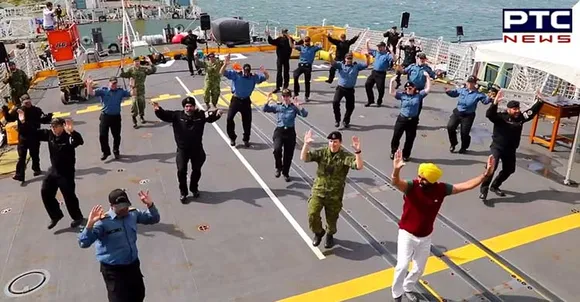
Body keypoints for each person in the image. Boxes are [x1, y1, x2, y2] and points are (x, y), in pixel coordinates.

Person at [390, 149, 494, 302]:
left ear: (432, 180)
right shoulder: (412, 187)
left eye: (423, 178)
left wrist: (485, 174)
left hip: (425, 237)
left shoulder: (441, 189)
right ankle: (397, 294)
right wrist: (396, 170)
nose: (419, 179)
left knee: (419, 269)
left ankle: (408, 287)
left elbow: (466, 186)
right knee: (402, 266)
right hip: (407, 234)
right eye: (419, 176)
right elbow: (396, 182)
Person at [78, 188, 160, 302]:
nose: (124, 209)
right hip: (114, 271)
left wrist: (150, 205)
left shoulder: (132, 214)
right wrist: (90, 224)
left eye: (126, 205)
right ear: (112, 206)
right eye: (120, 207)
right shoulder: (102, 222)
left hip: (132, 266)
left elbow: (154, 218)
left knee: (139, 295)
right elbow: (84, 243)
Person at [300, 130, 363, 248]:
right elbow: (304, 158)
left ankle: (329, 234)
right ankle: (318, 232)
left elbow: (358, 166)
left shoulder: (344, 156)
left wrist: (357, 151)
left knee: (332, 220)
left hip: (334, 195)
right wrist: (306, 144)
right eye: (330, 141)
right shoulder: (323, 152)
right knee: (312, 213)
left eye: (335, 142)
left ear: (340, 143)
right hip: (319, 191)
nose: (332, 144)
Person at [479, 90, 544, 204]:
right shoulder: (500, 117)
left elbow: (531, 112)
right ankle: (484, 190)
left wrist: (540, 101)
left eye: (518, 108)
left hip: (510, 149)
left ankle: (495, 186)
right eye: (514, 109)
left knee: (509, 170)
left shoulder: (520, 118)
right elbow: (489, 114)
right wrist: (495, 103)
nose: (517, 111)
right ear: (508, 109)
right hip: (497, 147)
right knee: (492, 168)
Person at [152, 97, 222, 203]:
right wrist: (157, 109)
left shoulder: (200, 115)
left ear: (194, 107)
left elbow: (211, 117)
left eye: (190, 106)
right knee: (181, 171)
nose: (188, 108)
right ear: (184, 107)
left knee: (197, 170)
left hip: (197, 149)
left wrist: (218, 114)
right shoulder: (177, 116)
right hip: (182, 150)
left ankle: (194, 188)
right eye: (186, 106)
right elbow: (164, 115)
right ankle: (183, 193)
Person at [26, 117, 84, 229]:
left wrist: (72, 131)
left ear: (62, 126)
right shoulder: (50, 135)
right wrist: (23, 122)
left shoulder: (68, 137)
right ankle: (55, 215)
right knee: (45, 191)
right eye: (52, 126)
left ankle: (77, 217)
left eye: (56, 126)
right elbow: (32, 133)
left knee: (69, 196)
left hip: (66, 173)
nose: (53, 129)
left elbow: (79, 141)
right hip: (53, 170)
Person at [220, 54, 269, 147]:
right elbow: (222, 72)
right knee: (229, 118)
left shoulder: (253, 77)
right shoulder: (236, 75)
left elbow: (266, 78)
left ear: (249, 71)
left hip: (246, 101)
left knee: (247, 121)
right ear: (242, 70)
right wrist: (225, 64)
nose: (246, 72)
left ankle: (246, 139)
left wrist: (265, 72)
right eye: (245, 71)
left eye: (248, 71)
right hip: (235, 100)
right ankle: (232, 138)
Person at [2, 94, 53, 183]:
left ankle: (36, 169)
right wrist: (5, 111)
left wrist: (48, 117)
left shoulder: (36, 110)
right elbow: (9, 119)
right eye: (25, 103)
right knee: (21, 157)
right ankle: (20, 175)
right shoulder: (18, 111)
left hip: (34, 135)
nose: (28, 104)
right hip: (23, 137)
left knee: (35, 154)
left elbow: (43, 120)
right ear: (22, 103)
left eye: (29, 102)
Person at [263, 89, 308, 182]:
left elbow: (304, 114)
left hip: (290, 133)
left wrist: (299, 107)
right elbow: (265, 109)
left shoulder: (293, 108)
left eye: (287, 96)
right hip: (279, 131)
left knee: (288, 154)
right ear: (282, 97)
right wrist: (268, 100)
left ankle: (285, 172)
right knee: (277, 149)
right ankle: (278, 167)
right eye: (284, 96)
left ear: (290, 97)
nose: (286, 98)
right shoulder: (279, 107)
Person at [388, 71, 432, 161]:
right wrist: (392, 82)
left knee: (410, 138)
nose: (408, 89)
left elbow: (427, 89)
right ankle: (394, 152)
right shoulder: (402, 95)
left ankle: (406, 155)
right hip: (402, 119)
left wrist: (427, 77)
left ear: (414, 88)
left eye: (410, 88)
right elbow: (392, 93)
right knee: (396, 136)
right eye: (407, 88)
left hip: (412, 120)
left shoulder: (418, 96)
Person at [86, 76, 132, 160]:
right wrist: (89, 85)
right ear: (109, 83)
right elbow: (91, 93)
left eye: (115, 83)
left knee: (116, 136)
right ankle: (106, 152)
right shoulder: (103, 91)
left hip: (116, 117)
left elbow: (132, 93)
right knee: (103, 136)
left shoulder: (120, 92)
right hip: (105, 116)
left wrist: (133, 85)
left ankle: (116, 151)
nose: (114, 85)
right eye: (112, 83)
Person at [445, 75, 493, 153]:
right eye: (469, 82)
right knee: (450, 127)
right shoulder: (462, 90)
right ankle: (453, 143)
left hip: (468, 115)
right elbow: (454, 93)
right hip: (458, 112)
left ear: (475, 84)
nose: (470, 84)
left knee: (464, 132)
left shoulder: (478, 94)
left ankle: (464, 147)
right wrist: (448, 92)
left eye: (472, 83)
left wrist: (490, 98)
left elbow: (485, 101)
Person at [329, 52, 370, 129]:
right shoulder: (340, 65)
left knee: (350, 107)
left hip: (350, 89)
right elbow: (332, 63)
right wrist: (330, 55)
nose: (349, 60)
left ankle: (346, 120)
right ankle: (337, 120)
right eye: (348, 58)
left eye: (350, 58)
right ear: (345, 59)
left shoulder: (356, 66)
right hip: (341, 88)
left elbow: (367, 64)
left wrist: (367, 57)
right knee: (335, 102)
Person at [119, 56, 157, 128]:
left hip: (141, 91)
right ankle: (134, 120)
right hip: (134, 91)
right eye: (135, 62)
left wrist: (150, 62)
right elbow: (123, 75)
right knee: (134, 106)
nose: (137, 63)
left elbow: (153, 70)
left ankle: (141, 116)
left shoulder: (143, 69)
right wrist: (122, 67)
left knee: (142, 104)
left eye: (138, 61)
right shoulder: (131, 70)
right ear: (133, 62)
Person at [292, 36, 322, 101]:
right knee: (295, 75)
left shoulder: (313, 48)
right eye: (305, 41)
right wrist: (298, 41)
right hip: (301, 66)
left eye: (307, 41)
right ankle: (296, 92)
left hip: (308, 66)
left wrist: (318, 43)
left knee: (307, 81)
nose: (306, 42)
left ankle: (306, 96)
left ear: (309, 41)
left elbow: (321, 47)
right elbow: (293, 46)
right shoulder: (301, 47)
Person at [364, 40, 393, 107]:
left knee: (380, 89)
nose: (379, 48)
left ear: (384, 47)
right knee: (367, 84)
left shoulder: (387, 55)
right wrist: (367, 43)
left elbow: (394, 59)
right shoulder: (376, 52)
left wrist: (391, 51)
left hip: (381, 73)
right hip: (374, 72)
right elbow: (369, 50)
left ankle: (379, 101)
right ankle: (370, 100)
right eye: (378, 47)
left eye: (380, 47)